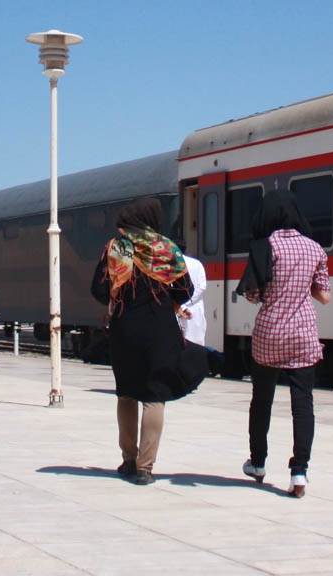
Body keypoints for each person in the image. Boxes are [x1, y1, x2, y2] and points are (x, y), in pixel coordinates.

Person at [90, 198, 208, 485]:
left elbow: (99, 290)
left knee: (126, 393)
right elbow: (185, 290)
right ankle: (145, 467)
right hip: (159, 330)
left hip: (124, 329)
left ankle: (128, 460)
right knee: (154, 395)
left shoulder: (117, 247)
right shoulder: (164, 248)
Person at [241, 190, 332, 498]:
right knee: (302, 404)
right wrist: (303, 287)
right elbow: (325, 296)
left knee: (261, 401)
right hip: (303, 334)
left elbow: (252, 294)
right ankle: (299, 472)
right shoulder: (315, 248)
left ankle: (257, 463)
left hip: (269, 334)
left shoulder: (263, 247)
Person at [178, 252, 207, 347]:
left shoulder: (174, 264)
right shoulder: (196, 263)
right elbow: (202, 286)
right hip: (196, 311)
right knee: (196, 346)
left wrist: (182, 304)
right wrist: (188, 301)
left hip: (179, 310)